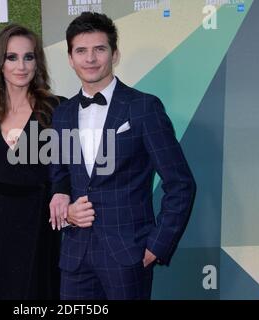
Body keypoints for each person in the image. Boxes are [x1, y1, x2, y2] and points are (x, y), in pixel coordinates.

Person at [49, 12, 196, 300]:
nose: (90, 58)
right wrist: (65, 208)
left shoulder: (143, 108)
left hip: (128, 255)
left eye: (99, 49)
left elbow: (180, 183)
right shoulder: (62, 114)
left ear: (114, 55)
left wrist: (157, 245)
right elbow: (60, 176)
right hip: (75, 257)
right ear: (70, 58)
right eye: (81, 50)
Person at [0, 24, 70, 300]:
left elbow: (71, 169)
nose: (21, 65)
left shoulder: (58, 109)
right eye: (12, 57)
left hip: (45, 224)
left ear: (37, 63)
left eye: (28, 57)